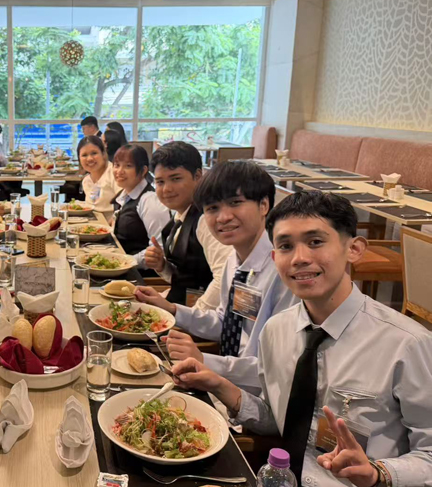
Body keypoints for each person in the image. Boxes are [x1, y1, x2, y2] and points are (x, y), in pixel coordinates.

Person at [172, 191, 432, 487]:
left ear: (354, 249)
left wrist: (378, 474)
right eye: (285, 246)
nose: (299, 258)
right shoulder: (277, 331)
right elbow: (281, 419)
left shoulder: (408, 344)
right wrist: (221, 386)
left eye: (315, 242)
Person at [135, 160, 296, 392]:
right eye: (212, 208)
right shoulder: (234, 261)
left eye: (235, 203)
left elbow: (279, 368)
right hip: (226, 384)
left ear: (264, 205)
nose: (223, 217)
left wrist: (203, 359)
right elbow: (225, 322)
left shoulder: (285, 271)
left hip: (262, 397)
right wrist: (172, 310)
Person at [143, 142, 231, 309]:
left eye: (176, 179)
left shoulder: (206, 219)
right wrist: (162, 266)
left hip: (198, 318)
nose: (166, 189)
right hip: (180, 307)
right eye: (160, 182)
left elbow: (225, 277)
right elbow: (185, 278)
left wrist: (192, 317)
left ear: (198, 176)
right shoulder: (180, 216)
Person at [111, 144, 171, 265]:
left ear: (143, 170)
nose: (119, 171)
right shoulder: (125, 195)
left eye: (128, 166)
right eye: (117, 165)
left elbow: (159, 249)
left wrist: (123, 262)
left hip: (138, 272)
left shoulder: (149, 200)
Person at [78, 136, 121, 220]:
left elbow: (126, 202)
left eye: (94, 153)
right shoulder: (86, 181)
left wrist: (114, 220)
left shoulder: (114, 173)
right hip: (92, 224)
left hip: (112, 225)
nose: (89, 159)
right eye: (84, 155)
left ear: (103, 154)